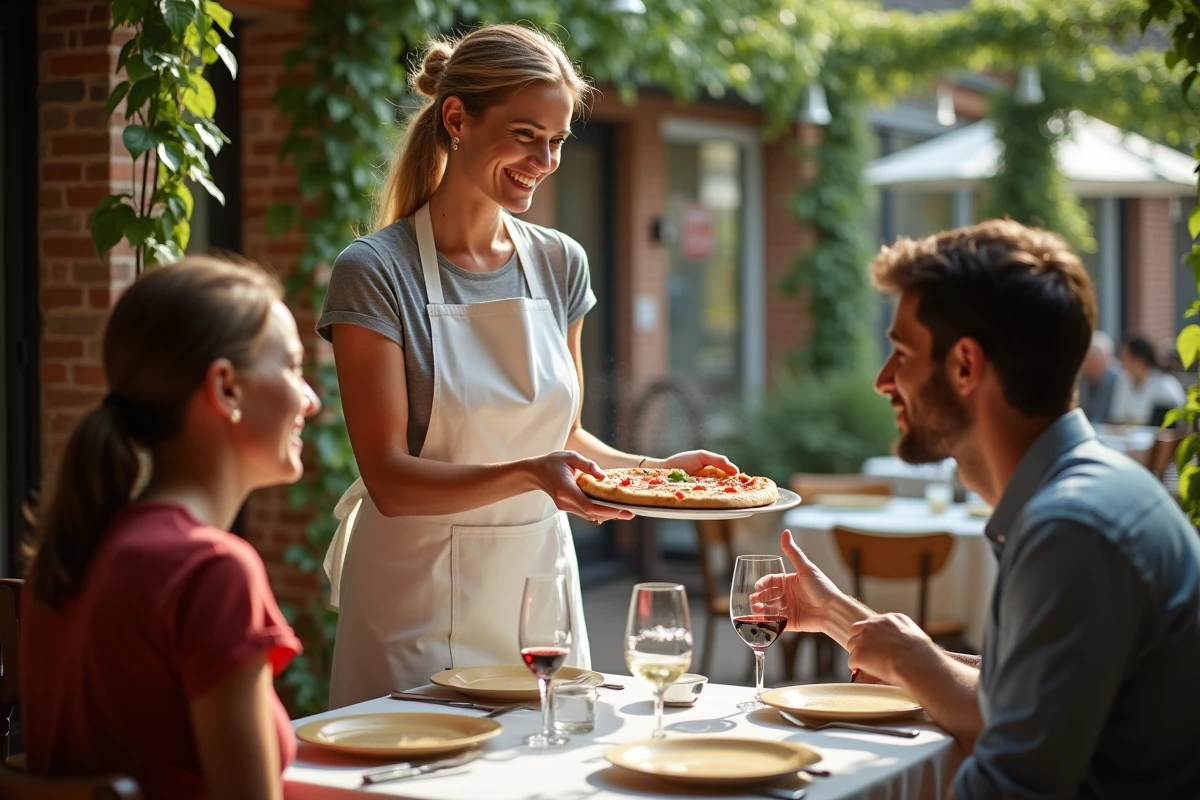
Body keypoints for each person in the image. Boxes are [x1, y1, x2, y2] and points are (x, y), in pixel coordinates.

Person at [318, 24, 736, 707]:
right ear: (457, 119)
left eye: (559, 139)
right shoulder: (375, 272)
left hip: (536, 590)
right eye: (524, 134)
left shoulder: (560, 262)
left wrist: (661, 475)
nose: (544, 159)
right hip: (412, 600)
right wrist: (532, 476)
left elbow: (562, 438)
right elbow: (389, 479)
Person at [756, 220, 1200, 797]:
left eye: (901, 352)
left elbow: (1007, 784)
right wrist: (842, 617)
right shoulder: (1091, 496)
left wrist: (915, 663)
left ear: (965, 366)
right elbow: (1010, 708)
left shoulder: (1073, 529)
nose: (882, 380)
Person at [21, 257, 319, 800]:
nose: (311, 399)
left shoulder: (72, 553)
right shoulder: (211, 570)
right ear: (226, 388)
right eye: (294, 368)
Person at [1109, 333, 1186, 426]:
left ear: (1139, 360)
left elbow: (1173, 426)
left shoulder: (1165, 386)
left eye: (1125, 359)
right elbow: (1117, 417)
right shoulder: (1123, 382)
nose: (1122, 364)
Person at [1075, 329, 1120, 424]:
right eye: (1088, 361)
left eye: (1094, 362)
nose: (1089, 367)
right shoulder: (1081, 379)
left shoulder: (1118, 380)